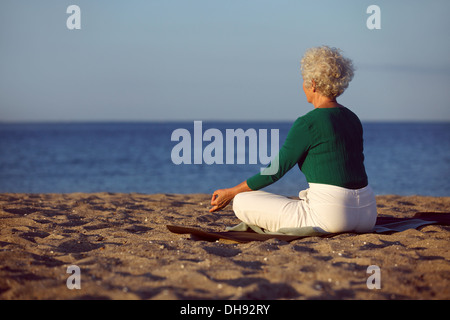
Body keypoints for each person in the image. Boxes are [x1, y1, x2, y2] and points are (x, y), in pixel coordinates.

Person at [209, 45, 377, 234]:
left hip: (331, 218)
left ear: (312, 83)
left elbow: (274, 171)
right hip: (367, 215)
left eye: (304, 81)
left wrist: (231, 192)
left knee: (241, 200)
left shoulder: (308, 123)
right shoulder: (352, 118)